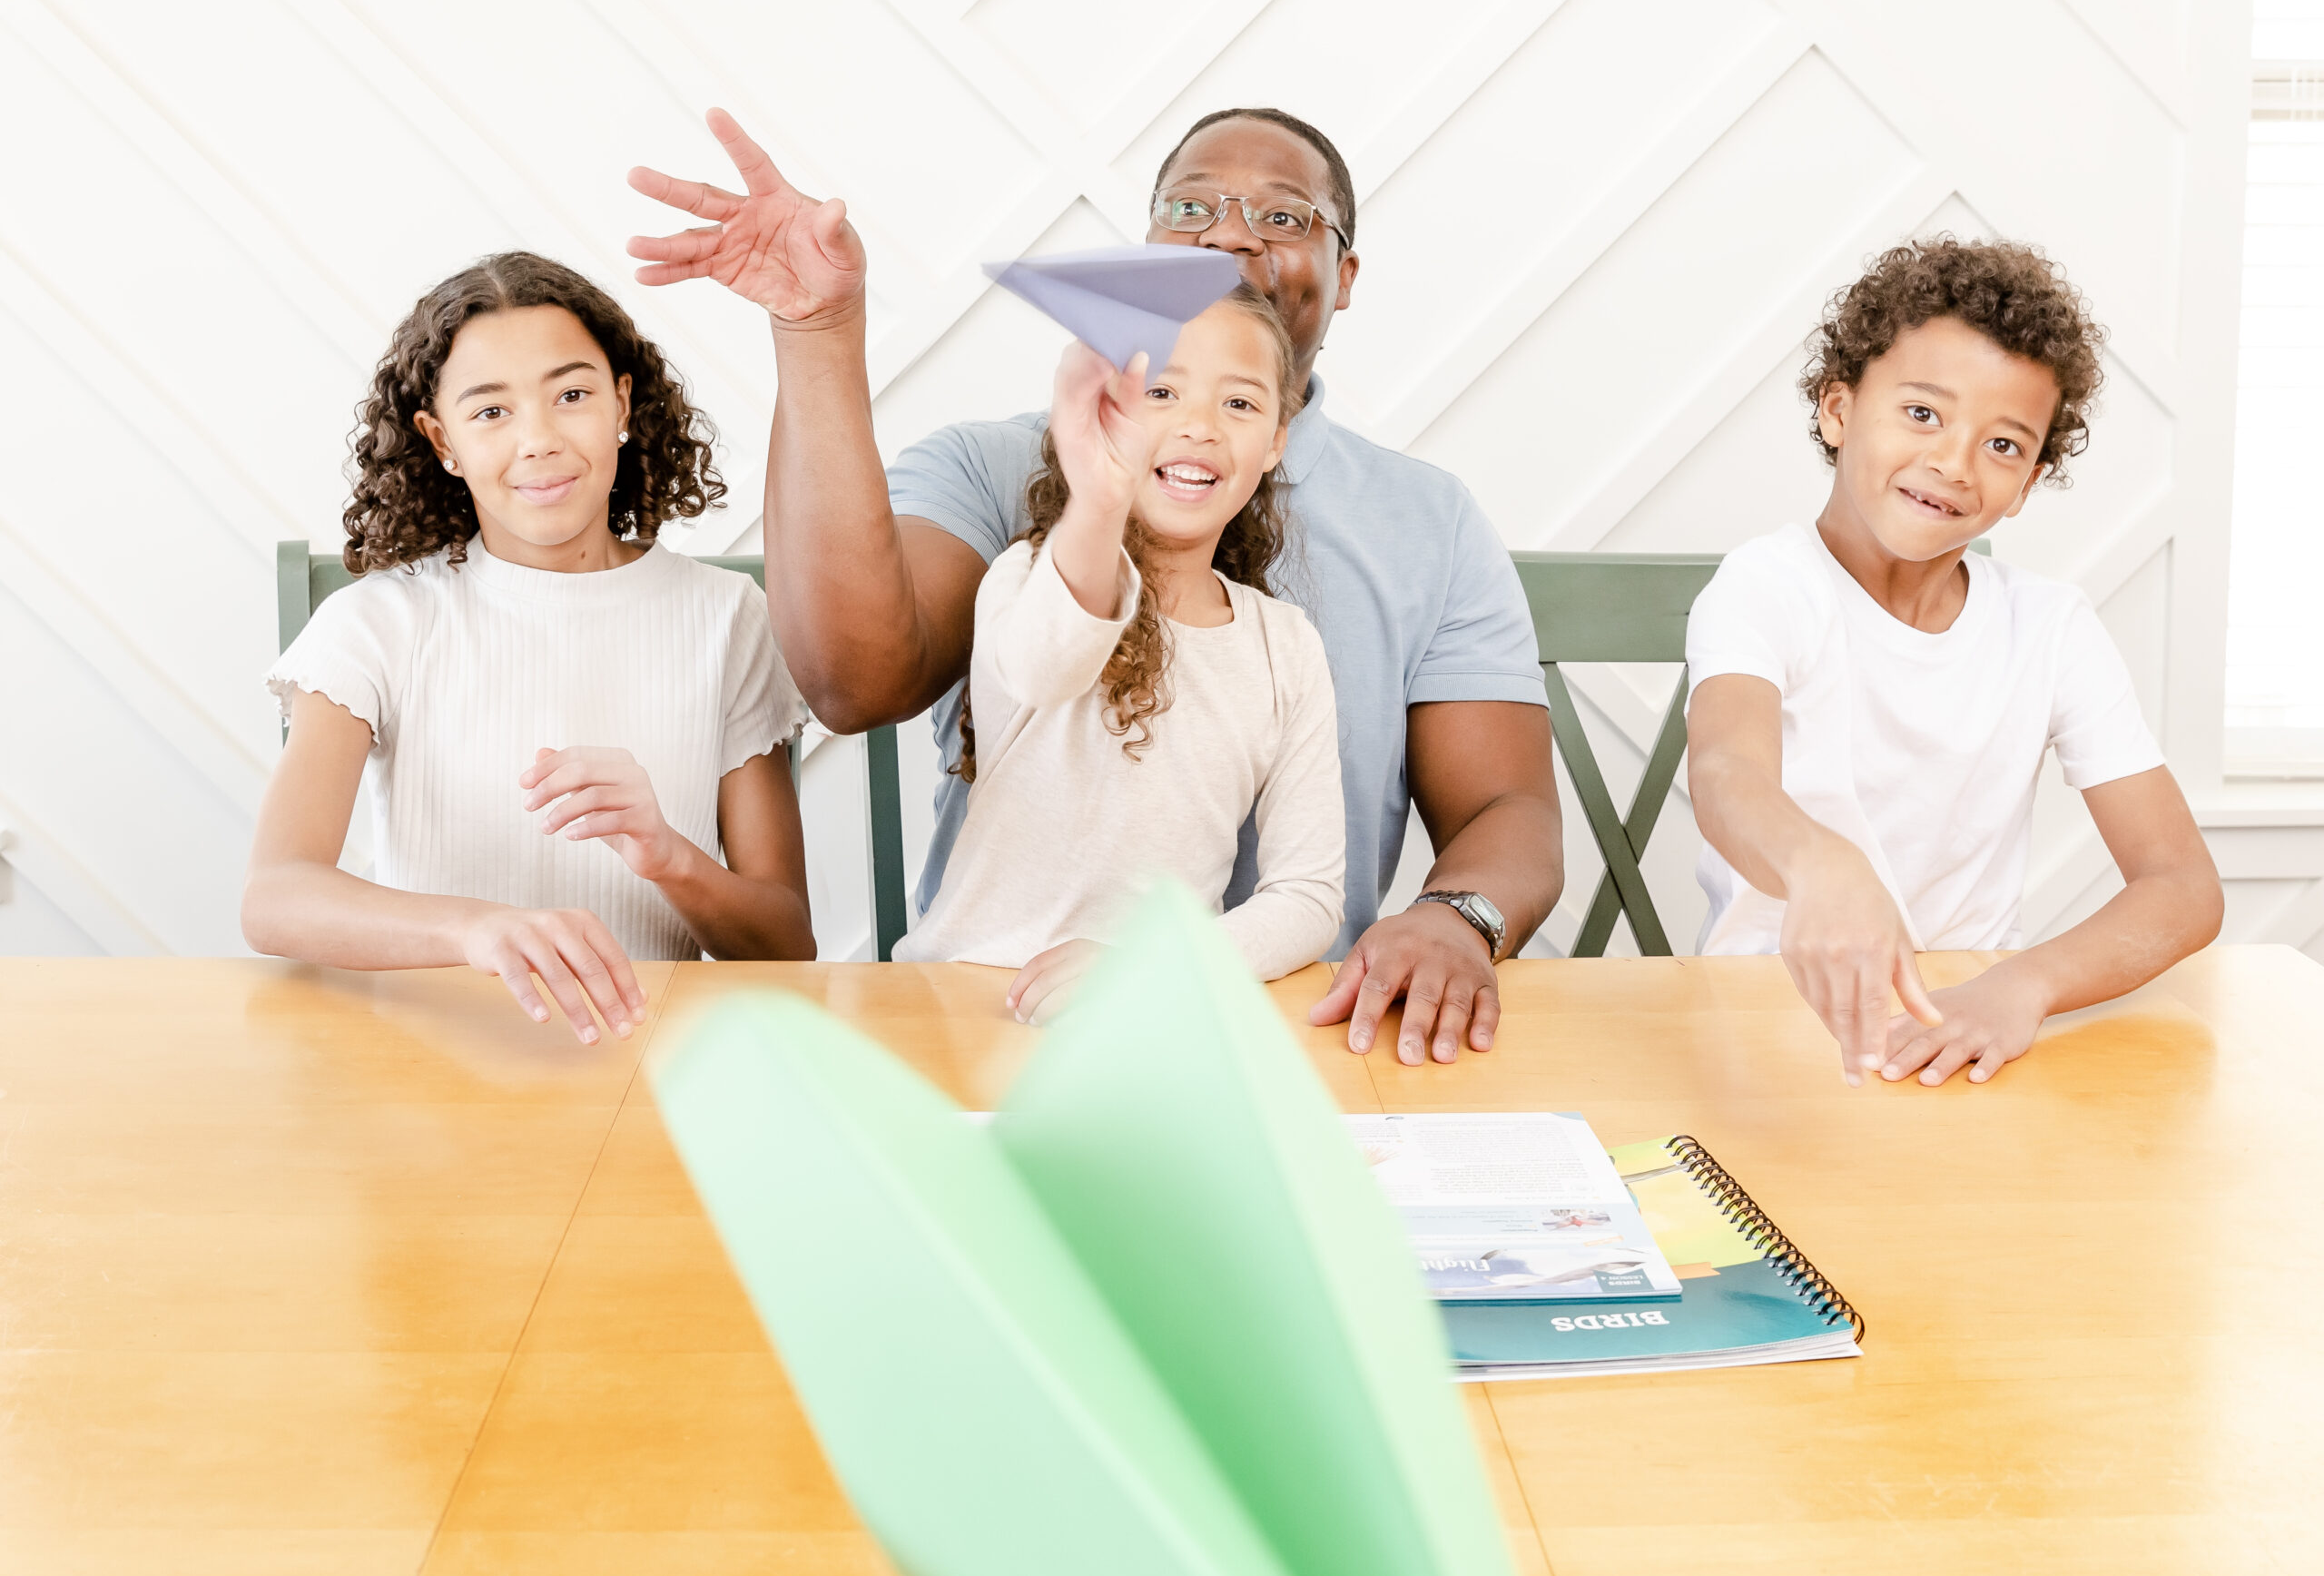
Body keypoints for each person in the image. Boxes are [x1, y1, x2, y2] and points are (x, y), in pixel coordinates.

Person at [626, 105, 1561, 1063]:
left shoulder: (1406, 541)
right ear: (1146, 250)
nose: (1231, 231)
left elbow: (1493, 815)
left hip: (1281, 1031)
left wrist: (1457, 917)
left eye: (1284, 217)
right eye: (1192, 206)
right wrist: (821, 329)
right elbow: (854, 681)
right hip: (992, 1012)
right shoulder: (999, 488)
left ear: (1344, 274)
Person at [1684, 238, 2221, 1087]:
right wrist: (1815, 861)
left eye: (2003, 445)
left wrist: (2024, 985)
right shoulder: (1767, 586)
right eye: (1923, 414)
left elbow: (2183, 888)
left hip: (1965, 1036)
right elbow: (1723, 772)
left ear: (2030, 481)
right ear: (1837, 409)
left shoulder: (2049, 629)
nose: (1953, 463)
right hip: (1765, 1025)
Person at [242, 252, 814, 1043]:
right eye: (491, 413)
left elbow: (786, 944)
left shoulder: (724, 616)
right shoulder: (377, 624)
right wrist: (475, 930)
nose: (539, 440)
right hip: (434, 1069)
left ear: (621, 403)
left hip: (650, 1064)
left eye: (571, 395)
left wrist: (665, 854)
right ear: (441, 440)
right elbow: (275, 897)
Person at [898, 287, 1344, 1020]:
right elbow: (1049, 665)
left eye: (1239, 404)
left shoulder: (1286, 646)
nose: (1200, 426)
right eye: (1162, 392)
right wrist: (1100, 498)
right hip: (970, 1001)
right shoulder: (1026, 579)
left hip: (1148, 1012)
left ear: (1275, 441)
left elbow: (1306, 898)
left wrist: (1152, 967)